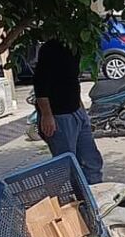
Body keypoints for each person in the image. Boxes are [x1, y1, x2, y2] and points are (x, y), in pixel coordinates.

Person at [33, 39, 103, 184]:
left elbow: (72, 81)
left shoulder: (75, 48)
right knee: (66, 166)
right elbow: (40, 85)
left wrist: (82, 111)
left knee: (91, 160)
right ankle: (69, 202)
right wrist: (47, 115)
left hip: (76, 111)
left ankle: (95, 198)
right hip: (59, 116)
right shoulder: (50, 48)